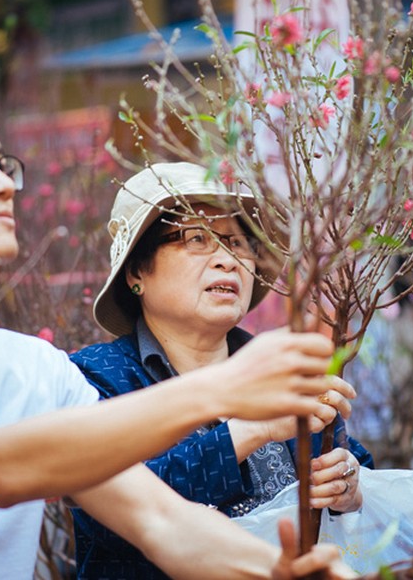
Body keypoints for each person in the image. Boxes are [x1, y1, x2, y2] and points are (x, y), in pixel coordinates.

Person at [0, 67, 357, 579]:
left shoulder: (37, 371)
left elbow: (161, 520)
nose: (3, 184)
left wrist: (280, 569)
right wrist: (224, 392)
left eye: (2, 163)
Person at [70, 162, 375, 579]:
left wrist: (348, 483)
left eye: (238, 243)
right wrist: (251, 430)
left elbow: (353, 464)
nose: (228, 260)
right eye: (198, 238)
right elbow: (118, 511)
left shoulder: (279, 368)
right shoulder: (95, 377)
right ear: (137, 272)